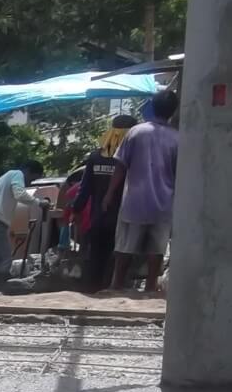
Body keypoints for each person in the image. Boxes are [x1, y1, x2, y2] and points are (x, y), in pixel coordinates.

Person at [107, 90, 180, 295]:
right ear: (173, 111)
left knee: (124, 248)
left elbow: (120, 166)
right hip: (164, 204)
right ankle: (150, 288)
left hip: (134, 202)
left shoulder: (136, 132)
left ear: (152, 108)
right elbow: (179, 174)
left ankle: (117, 285)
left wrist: (109, 194)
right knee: (156, 250)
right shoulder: (178, 138)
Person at [71, 115, 134, 292]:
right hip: (123, 221)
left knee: (96, 257)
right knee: (119, 260)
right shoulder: (132, 159)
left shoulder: (95, 157)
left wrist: (76, 210)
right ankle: (112, 292)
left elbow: (84, 189)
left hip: (98, 219)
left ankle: (91, 291)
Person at [0, 160, 46, 292]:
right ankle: (2, 290)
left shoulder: (5, 177)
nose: (29, 183)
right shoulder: (17, 174)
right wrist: (39, 203)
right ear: (28, 171)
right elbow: (19, 194)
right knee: (5, 259)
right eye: (32, 178)